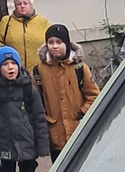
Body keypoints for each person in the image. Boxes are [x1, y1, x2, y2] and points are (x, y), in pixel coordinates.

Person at [33, 23, 100, 159]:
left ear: (67, 44)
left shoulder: (79, 67)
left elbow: (93, 95)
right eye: (50, 42)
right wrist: (45, 120)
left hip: (78, 129)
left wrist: (82, 113)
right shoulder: (39, 70)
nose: (55, 46)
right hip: (55, 133)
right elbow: (36, 100)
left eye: (59, 42)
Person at [0, 46, 49, 172]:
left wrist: (42, 146)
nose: (10, 67)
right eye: (5, 64)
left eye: (13, 63)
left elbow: (39, 118)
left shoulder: (28, 88)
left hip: (26, 142)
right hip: (4, 144)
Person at [0, 0, 49, 65]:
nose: (22, 6)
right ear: (15, 6)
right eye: (19, 4)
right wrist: (4, 55)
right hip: (13, 70)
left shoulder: (43, 22)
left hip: (38, 69)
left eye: (25, 3)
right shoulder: (6, 21)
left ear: (31, 5)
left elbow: (51, 41)